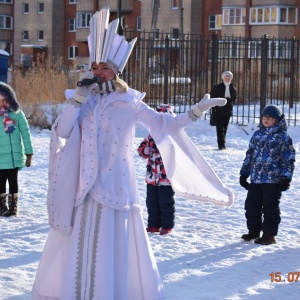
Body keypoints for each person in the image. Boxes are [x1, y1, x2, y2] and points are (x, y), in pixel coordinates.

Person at [32, 6, 233, 300]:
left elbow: (165, 125)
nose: (98, 72)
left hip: (116, 186)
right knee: (78, 244)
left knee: (110, 245)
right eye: (95, 66)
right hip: (82, 186)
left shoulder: (130, 101)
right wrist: (77, 100)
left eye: (105, 67)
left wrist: (197, 110)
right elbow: (61, 133)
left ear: (117, 70)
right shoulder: (80, 99)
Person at [239, 104, 295, 245]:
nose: (266, 120)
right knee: (251, 205)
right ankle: (254, 231)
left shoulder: (283, 137)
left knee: (270, 208)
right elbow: (250, 155)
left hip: (272, 180)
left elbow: (288, 159)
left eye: (270, 118)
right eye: (265, 117)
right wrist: (244, 173)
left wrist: (285, 178)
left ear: (277, 120)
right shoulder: (257, 135)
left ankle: (269, 235)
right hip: (256, 179)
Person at [137, 105, 175, 236]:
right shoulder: (150, 135)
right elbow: (141, 149)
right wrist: (144, 151)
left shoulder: (173, 136)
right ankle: (153, 224)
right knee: (151, 202)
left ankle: (167, 225)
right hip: (152, 176)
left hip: (166, 177)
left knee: (166, 202)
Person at [0, 82, 34, 217]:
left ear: (10, 99)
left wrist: (29, 153)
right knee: (1, 181)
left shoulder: (17, 114)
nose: (2, 104)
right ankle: (2, 206)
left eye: (5, 100)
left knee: (13, 181)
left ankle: (13, 207)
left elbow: (25, 133)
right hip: (1, 158)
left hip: (15, 157)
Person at [210, 71, 237, 150]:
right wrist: (214, 108)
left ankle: (223, 143)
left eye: (229, 77)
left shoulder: (233, 89)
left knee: (225, 128)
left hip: (227, 112)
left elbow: (233, 99)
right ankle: (221, 145)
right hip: (218, 111)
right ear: (223, 78)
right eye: (226, 77)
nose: (227, 79)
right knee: (220, 128)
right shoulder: (217, 87)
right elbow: (212, 98)